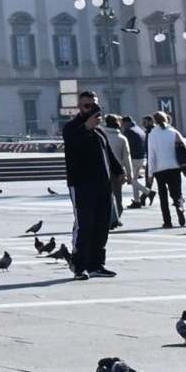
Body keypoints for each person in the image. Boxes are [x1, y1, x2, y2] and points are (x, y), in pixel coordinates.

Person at [63, 91, 115, 278]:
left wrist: (119, 171)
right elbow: (74, 144)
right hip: (81, 184)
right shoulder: (71, 128)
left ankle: (96, 264)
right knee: (84, 224)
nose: (90, 109)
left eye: (93, 106)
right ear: (79, 106)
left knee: (102, 225)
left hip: (102, 184)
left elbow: (108, 154)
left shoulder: (100, 131)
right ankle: (78, 265)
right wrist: (86, 127)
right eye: (86, 106)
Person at [146, 113, 186, 228]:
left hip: (160, 169)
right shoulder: (173, 132)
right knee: (177, 192)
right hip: (174, 167)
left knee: (163, 196)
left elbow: (151, 155)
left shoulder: (152, 134)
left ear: (155, 121)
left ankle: (167, 221)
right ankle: (180, 209)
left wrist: (150, 174)